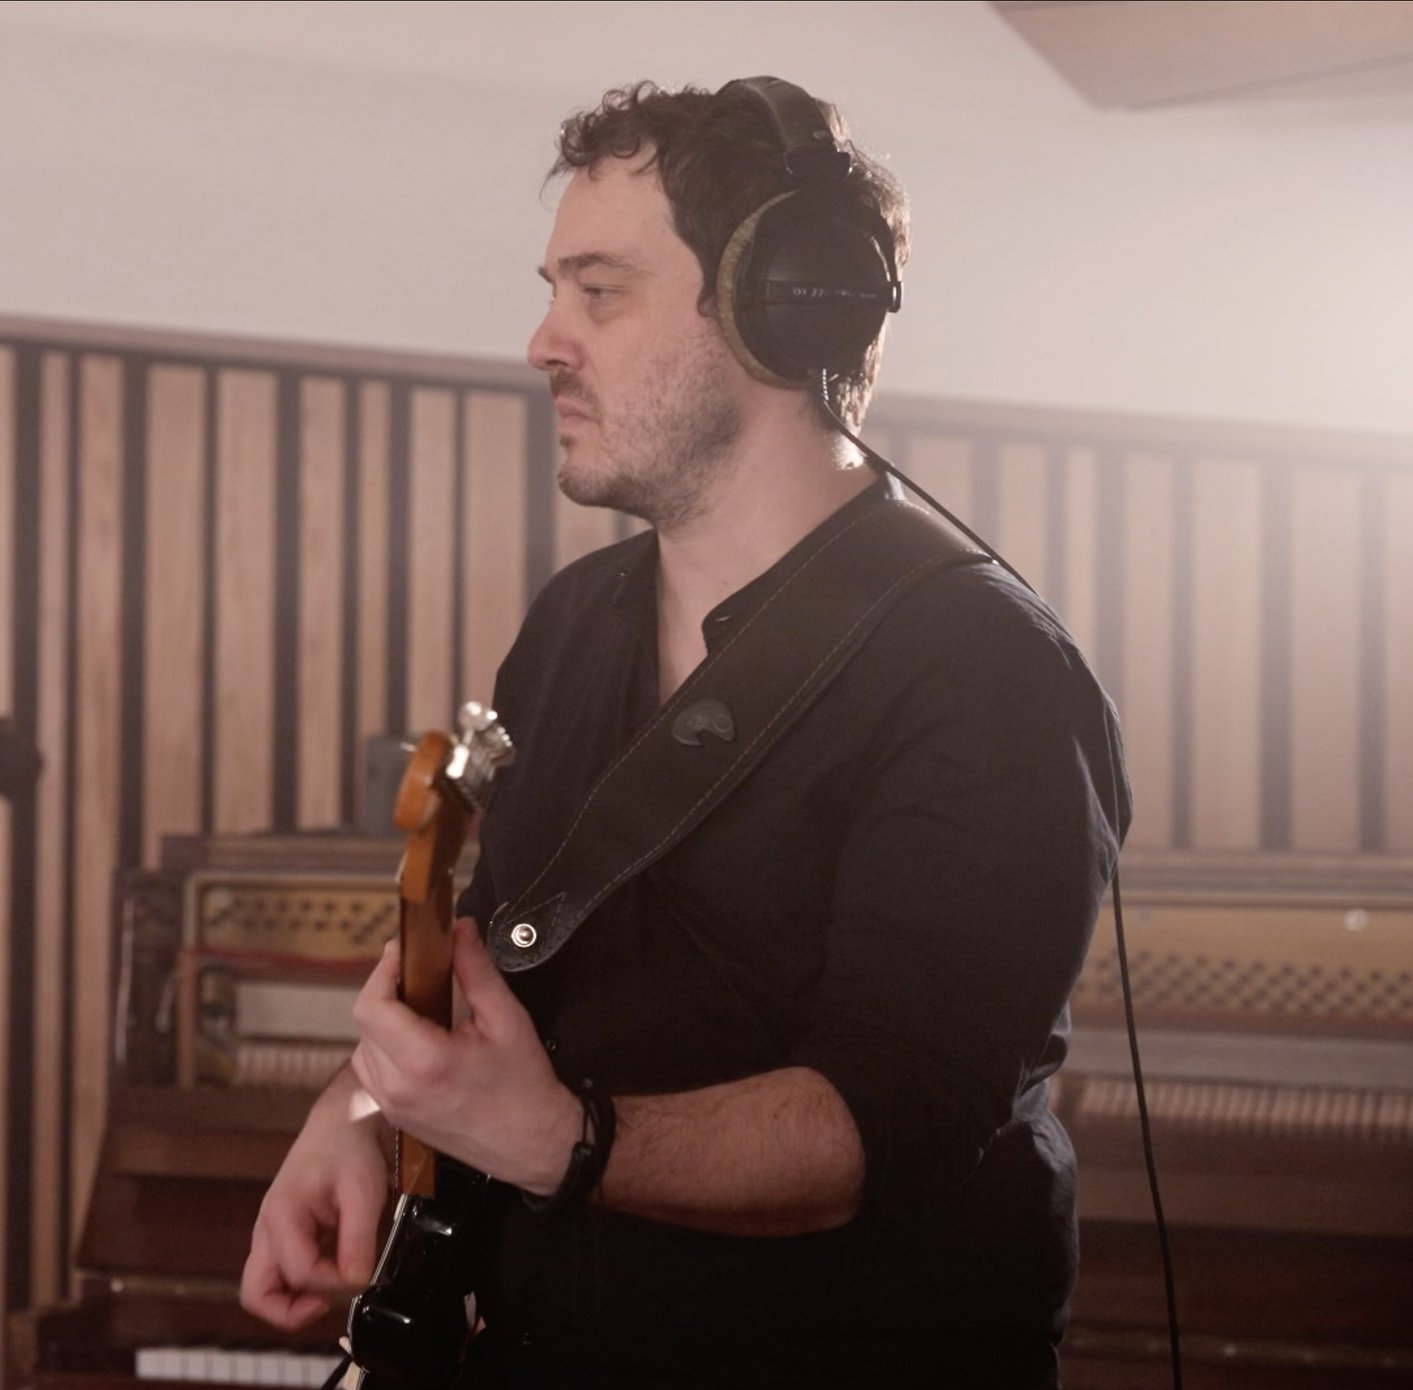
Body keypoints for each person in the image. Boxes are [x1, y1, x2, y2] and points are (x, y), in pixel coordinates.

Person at [238, 81, 1126, 1386]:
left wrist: (564, 1141)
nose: (545, 340)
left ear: (785, 309)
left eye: (600, 291)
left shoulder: (986, 671)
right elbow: (508, 939)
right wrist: (362, 1109)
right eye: (554, 289)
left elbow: (887, 1115)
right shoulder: (576, 621)